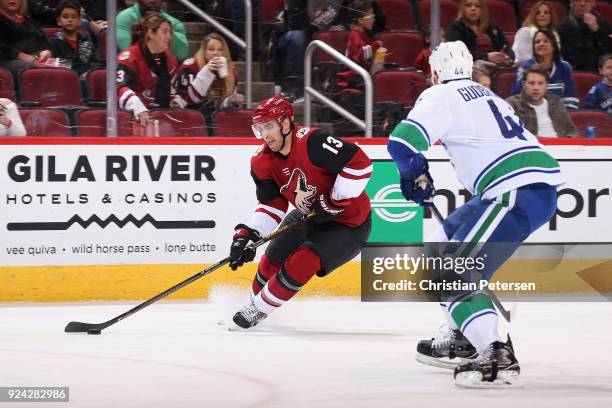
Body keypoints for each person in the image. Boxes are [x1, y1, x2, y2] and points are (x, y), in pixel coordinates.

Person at [387, 41, 563, 387]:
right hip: (523, 188)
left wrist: (413, 174)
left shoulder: (441, 94)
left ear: (435, 73)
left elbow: (402, 142)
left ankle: (496, 353)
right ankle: (464, 337)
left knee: (449, 272)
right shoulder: (487, 95)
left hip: (514, 191)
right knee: (440, 245)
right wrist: (419, 173)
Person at [227, 95, 372, 329]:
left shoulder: (314, 142)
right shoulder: (261, 162)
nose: (265, 135)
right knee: (270, 260)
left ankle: (260, 309)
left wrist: (335, 200)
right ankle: (256, 306)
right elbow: (271, 204)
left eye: (269, 126)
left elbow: (361, 163)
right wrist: (250, 234)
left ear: (285, 123)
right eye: (260, 128)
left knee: (302, 261)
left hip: (348, 224)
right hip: (310, 216)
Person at [116, 12, 180, 127]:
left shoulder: (171, 60)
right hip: (134, 121)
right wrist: (137, 106)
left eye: (170, 32)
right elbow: (118, 87)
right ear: (150, 33)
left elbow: (174, 93)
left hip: (163, 120)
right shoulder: (129, 57)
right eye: (165, 32)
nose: (169, 36)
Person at [173, 33, 245, 135]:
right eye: (211, 49)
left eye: (220, 50)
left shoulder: (231, 71)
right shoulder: (190, 67)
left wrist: (231, 100)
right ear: (204, 51)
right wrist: (207, 71)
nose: (216, 53)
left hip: (218, 126)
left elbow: (222, 106)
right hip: (191, 124)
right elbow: (188, 100)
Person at [512, 29, 579, 110]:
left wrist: (566, 116)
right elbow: (517, 97)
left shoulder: (564, 67)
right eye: (537, 42)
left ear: (553, 46)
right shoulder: (525, 67)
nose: (541, 44)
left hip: (560, 115)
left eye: (545, 41)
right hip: (532, 114)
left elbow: (571, 97)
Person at [507, 64, 579, 137]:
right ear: (524, 84)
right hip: (532, 146)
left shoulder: (556, 102)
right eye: (531, 83)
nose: (536, 88)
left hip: (560, 146)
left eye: (540, 83)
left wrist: (568, 143)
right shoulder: (512, 104)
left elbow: (572, 130)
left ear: (546, 85)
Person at [445, 0, 514, 75]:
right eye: (468, 5)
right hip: (472, 66)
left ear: (482, 10)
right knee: (481, 66)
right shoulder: (455, 28)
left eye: (477, 6)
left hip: (497, 64)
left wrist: (507, 57)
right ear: (463, 9)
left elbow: (506, 47)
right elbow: (457, 53)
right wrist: (486, 56)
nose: (473, 9)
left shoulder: (491, 27)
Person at [116, 0, 188, 61]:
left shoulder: (175, 23)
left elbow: (182, 54)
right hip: (133, 67)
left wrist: (165, 27)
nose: (152, 1)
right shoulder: (124, 17)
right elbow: (127, 49)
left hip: (163, 68)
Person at [336, 0, 382, 89]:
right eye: (371, 16)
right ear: (360, 20)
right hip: (352, 76)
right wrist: (376, 45)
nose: (373, 19)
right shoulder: (355, 35)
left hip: (360, 74)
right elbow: (362, 54)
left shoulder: (362, 34)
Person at [0, 0, 52, 76]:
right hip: (6, 60)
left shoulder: (27, 19)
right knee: (31, 70)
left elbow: (42, 40)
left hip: (33, 58)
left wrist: (44, 52)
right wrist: (21, 56)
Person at [559, 0, 611, 73]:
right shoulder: (563, 27)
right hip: (574, 70)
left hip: (599, 70)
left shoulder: (602, 23)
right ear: (571, 3)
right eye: (578, 0)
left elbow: (609, 49)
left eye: (586, 1)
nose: (582, 4)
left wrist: (597, 30)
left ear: (593, 3)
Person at [48, 0, 98, 76]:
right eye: (65, 17)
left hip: (87, 78)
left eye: (74, 17)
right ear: (59, 21)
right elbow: (59, 66)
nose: (70, 20)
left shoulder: (86, 41)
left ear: (79, 21)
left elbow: (94, 61)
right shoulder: (53, 43)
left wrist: (89, 73)